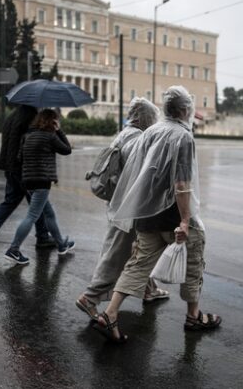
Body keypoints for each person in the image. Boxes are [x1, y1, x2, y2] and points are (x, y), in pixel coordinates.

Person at [95, 86, 221, 343]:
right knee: (193, 262)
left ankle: (109, 313)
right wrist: (185, 220)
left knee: (137, 266)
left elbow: (138, 172)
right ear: (185, 110)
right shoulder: (183, 137)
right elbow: (182, 183)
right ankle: (193, 316)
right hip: (174, 216)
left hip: (147, 216)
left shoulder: (151, 132)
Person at [75, 98, 169, 320]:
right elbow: (142, 174)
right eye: (152, 118)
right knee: (117, 254)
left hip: (120, 203)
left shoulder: (124, 133)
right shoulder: (137, 139)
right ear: (145, 118)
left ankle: (149, 288)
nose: (154, 121)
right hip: (128, 207)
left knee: (142, 249)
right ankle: (90, 297)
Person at [0, 105, 54, 253]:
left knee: (11, 201)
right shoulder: (31, 117)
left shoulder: (13, 115)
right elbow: (32, 142)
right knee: (37, 203)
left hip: (10, 167)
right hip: (23, 169)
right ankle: (42, 238)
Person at [4, 109, 75, 265]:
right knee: (32, 216)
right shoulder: (49, 137)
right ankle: (13, 249)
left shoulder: (27, 136)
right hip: (42, 182)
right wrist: (59, 130)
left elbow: (19, 157)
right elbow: (67, 149)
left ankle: (61, 244)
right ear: (52, 121)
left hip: (28, 181)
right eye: (56, 120)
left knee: (49, 214)